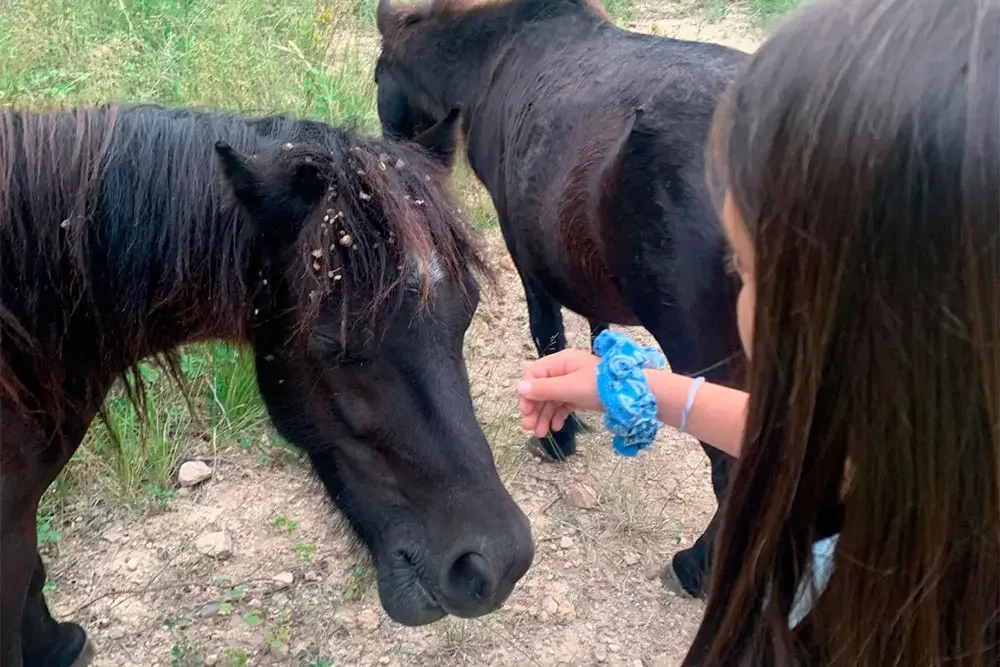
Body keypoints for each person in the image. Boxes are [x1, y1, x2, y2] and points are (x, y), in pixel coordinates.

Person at [515, 0, 999, 664]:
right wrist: (650, 390)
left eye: (742, 266)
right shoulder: (942, 452)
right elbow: (829, 444)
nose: (736, 292)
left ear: (871, 320)